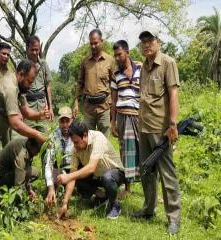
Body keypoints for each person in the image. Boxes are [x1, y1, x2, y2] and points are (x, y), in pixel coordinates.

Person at [0, 59, 49, 204]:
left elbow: (25, 111)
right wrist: (37, 134)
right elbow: (15, 123)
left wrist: (38, 115)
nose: (31, 85)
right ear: (21, 74)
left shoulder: (20, 87)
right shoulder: (10, 87)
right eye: (30, 81)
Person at [130, 29, 181, 235]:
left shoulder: (168, 63)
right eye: (143, 41)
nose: (146, 44)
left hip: (161, 129)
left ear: (158, 42)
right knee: (146, 170)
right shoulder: (144, 67)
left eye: (149, 40)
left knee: (167, 174)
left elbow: (173, 93)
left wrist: (173, 124)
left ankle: (174, 218)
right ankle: (149, 209)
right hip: (144, 126)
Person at [56, 121, 125, 219]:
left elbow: (91, 167)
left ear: (84, 135)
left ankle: (114, 204)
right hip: (98, 176)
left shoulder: (98, 138)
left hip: (115, 174)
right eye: (73, 142)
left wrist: (68, 177)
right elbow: (72, 174)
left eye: (76, 142)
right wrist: (65, 203)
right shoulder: (76, 148)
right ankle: (102, 196)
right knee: (76, 176)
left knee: (107, 178)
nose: (74, 145)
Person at [110, 40, 141, 194]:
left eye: (119, 54)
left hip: (139, 116)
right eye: (115, 55)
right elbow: (113, 100)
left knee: (143, 150)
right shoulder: (116, 74)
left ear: (127, 53)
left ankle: (149, 187)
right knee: (125, 152)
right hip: (122, 116)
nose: (117, 58)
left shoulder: (141, 68)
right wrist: (113, 122)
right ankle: (127, 188)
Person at [73, 29, 115, 136]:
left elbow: (115, 84)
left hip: (104, 107)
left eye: (95, 43)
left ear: (101, 41)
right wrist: (76, 102)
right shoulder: (85, 61)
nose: (93, 46)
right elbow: (80, 82)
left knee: (104, 141)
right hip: (88, 108)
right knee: (88, 139)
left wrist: (114, 105)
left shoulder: (110, 60)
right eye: (91, 43)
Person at [42, 106, 74, 206]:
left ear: (72, 120)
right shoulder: (53, 136)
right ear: (58, 122)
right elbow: (48, 164)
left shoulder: (77, 134)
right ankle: (52, 189)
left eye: (67, 121)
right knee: (47, 162)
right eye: (62, 121)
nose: (65, 125)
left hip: (73, 169)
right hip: (58, 169)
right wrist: (50, 187)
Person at [24, 35, 54, 132]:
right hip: (29, 107)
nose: (34, 52)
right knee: (29, 140)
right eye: (32, 50)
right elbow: (20, 90)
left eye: (37, 50)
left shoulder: (44, 64)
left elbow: (48, 87)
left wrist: (50, 108)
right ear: (27, 49)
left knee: (44, 138)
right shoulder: (22, 65)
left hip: (42, 107)